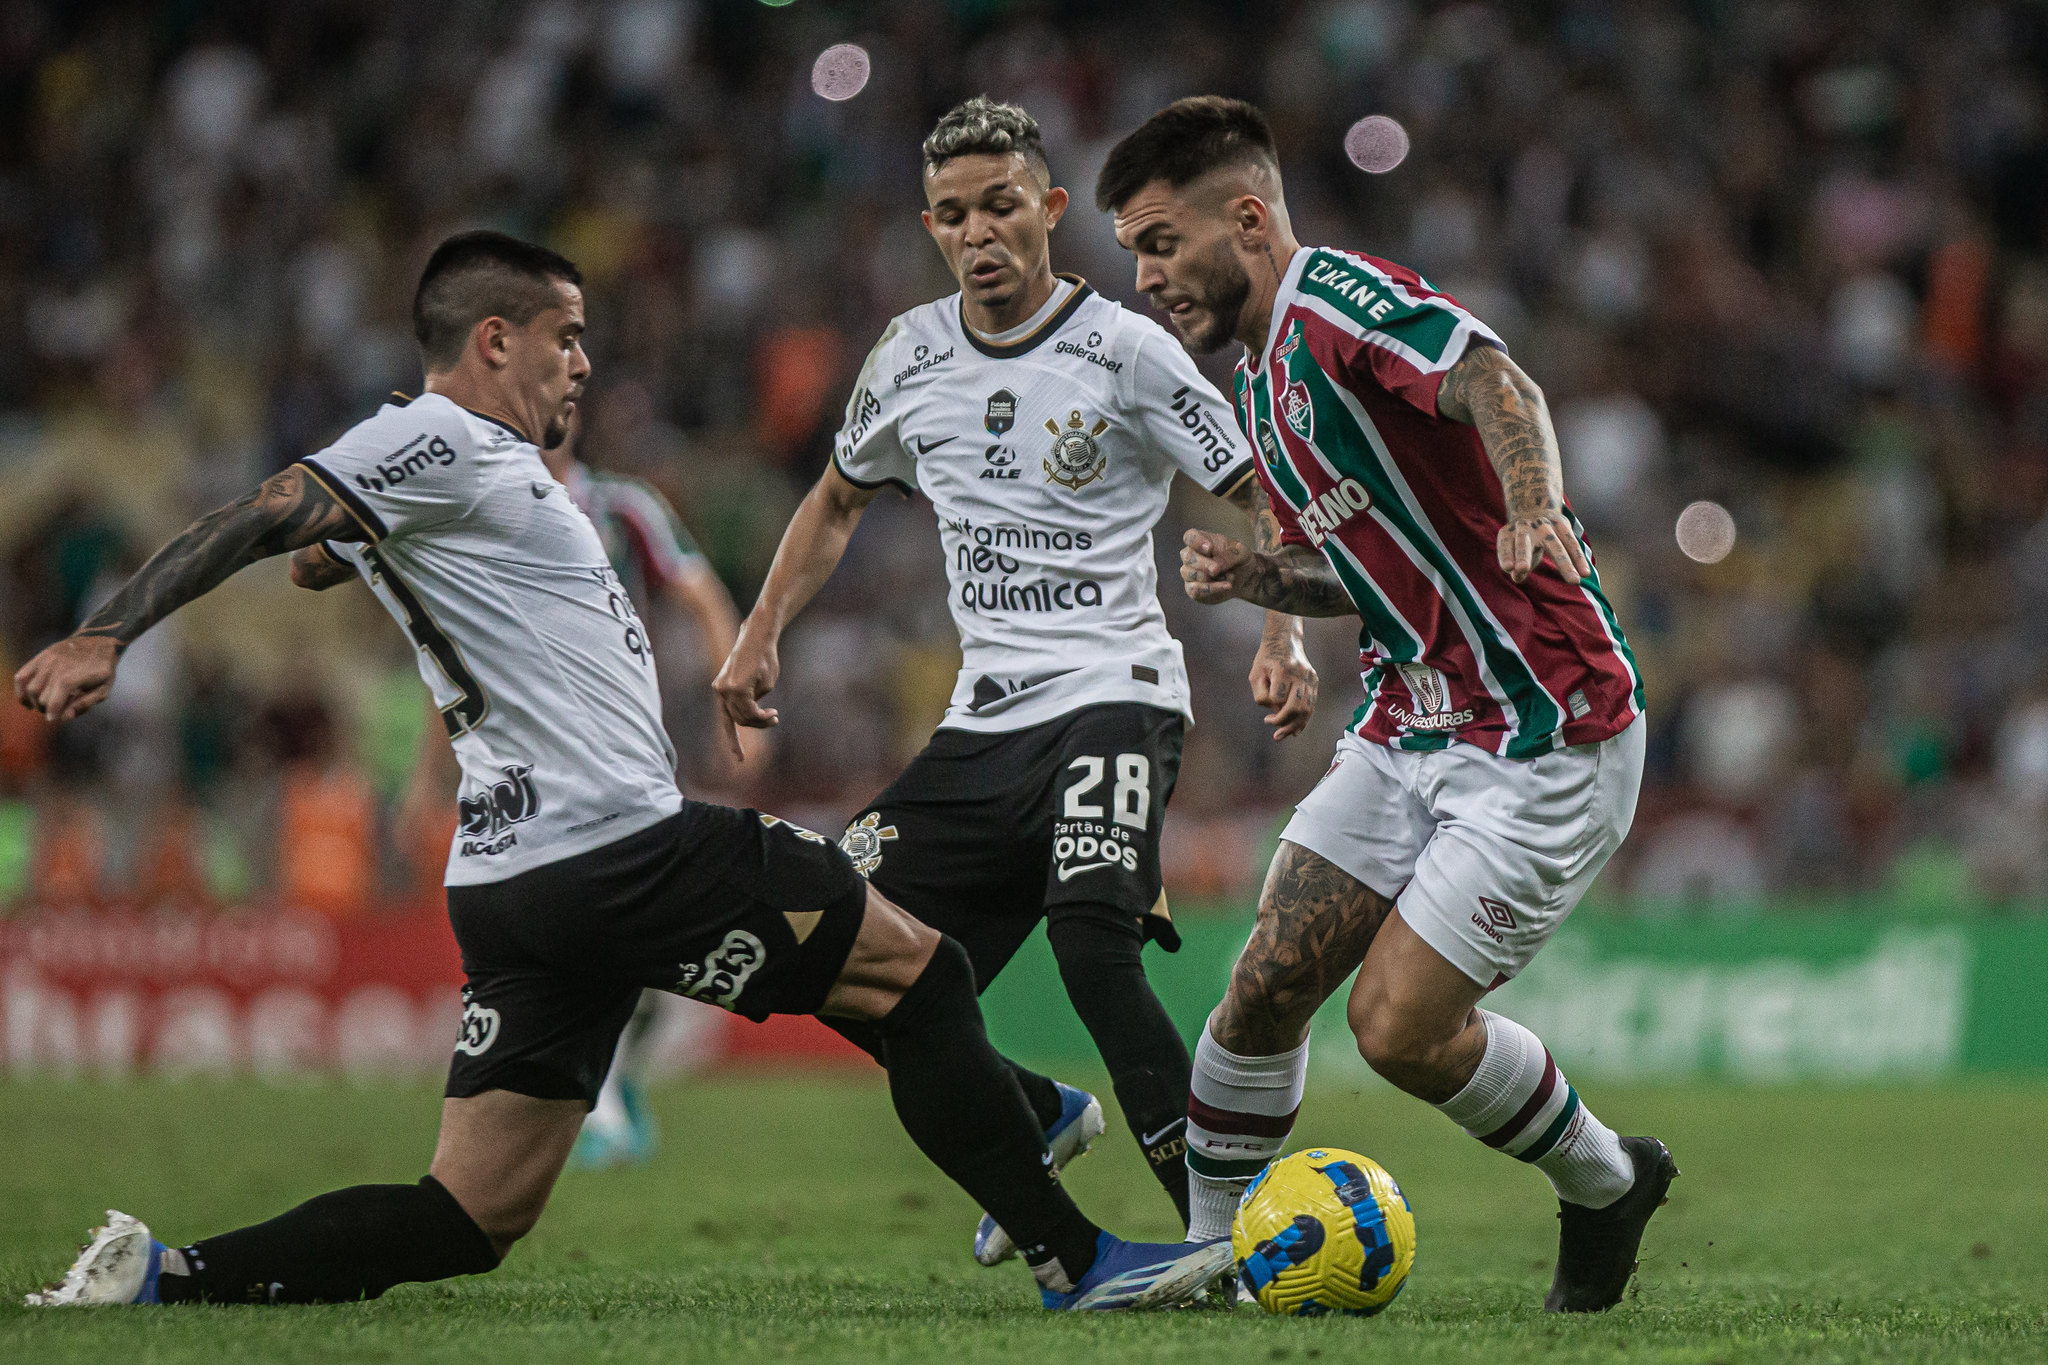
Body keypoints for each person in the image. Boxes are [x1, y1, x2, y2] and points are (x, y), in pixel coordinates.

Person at [20, 230, 1230, 1312]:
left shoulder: (465, 470)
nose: (583, 364)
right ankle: (1074, 1255)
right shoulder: (432, 433)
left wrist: (345, 551)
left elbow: (332, 538)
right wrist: (106, 633)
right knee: (918, 975)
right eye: (566, 338)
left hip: (516, 891)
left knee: (470, 1215)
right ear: (494, 342)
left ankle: (170, 1275)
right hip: (616, 847)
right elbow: (268, 509)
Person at [1095, 97, 1675, 1313]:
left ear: (1245, 220)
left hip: (1542, 729)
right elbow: (1371, 561)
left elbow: (1490, 379)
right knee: (1262, 985)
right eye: (1132, 252)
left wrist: (1531, 502)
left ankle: (1607, 1180)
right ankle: (1212, 1257)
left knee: (1397, 1029)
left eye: (1157, 243)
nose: (1143, 277)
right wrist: (1269, 587)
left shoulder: (1336, 302)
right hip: (1410, 719)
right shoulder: (1256, 378)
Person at [715, 98, 1317, 1265]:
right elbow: (838, 497)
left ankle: (1221, 1238)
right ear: (929, 227)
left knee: (1091, 935)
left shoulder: (1126, 349)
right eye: (951, 215)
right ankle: (1038, 1115)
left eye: (1000, 205)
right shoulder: (909, 354)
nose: (978, 233)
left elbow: (1258, 481)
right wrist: (758, 633)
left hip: (1114, 692)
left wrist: (1278, 630)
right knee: (837, 955)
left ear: (1045, 210)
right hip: (981, 722)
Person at [546, 411, 742, 1169]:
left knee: (656, 935)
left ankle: (614, 1078)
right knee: (579, 928)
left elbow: (702, 592)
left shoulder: (621, 509)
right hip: (533, 761)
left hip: (627, 749)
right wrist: (432, 776)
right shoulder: (485, 506)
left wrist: (734, 692)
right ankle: (598, 1095)